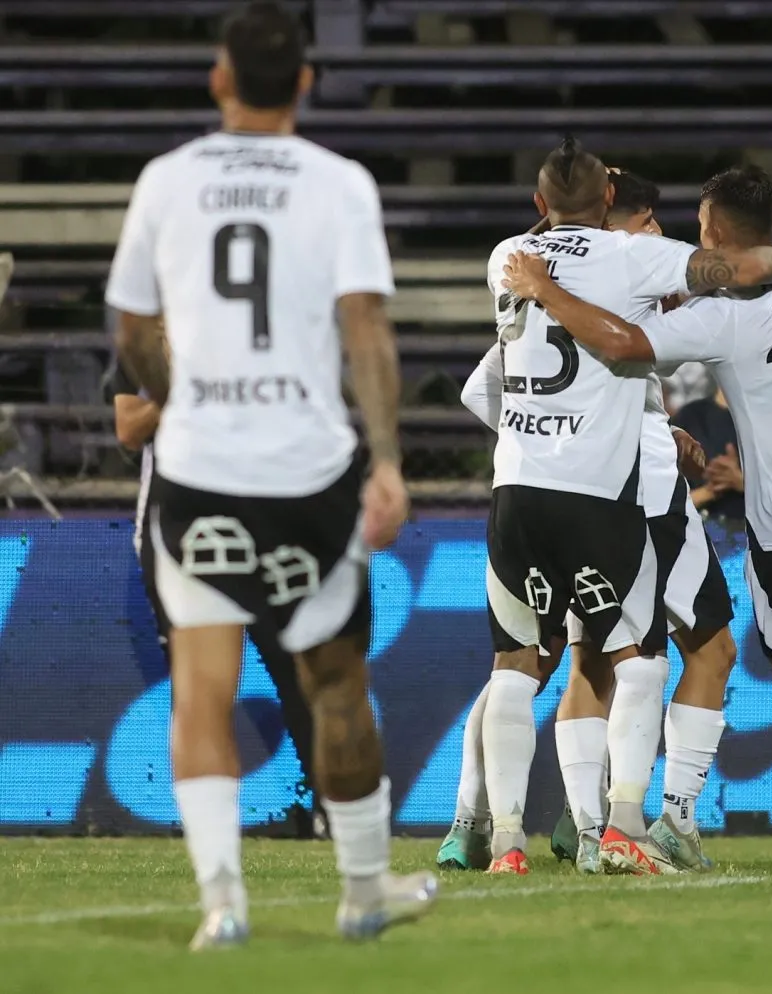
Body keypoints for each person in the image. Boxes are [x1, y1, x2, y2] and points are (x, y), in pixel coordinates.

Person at [105, 1, 436, 949]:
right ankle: (363, 889)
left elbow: (131, 328)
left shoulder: (167, 180)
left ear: (219, 78)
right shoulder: (339, 182)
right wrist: (386, 458)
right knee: (336, 683)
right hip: (306, 471)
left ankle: (223, 905)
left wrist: (182, 390)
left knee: (200, 686)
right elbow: (366, 327)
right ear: (305, 81)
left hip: (197, 469)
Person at [501, 164, 772, 875]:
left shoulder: (723, 318)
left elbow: (623, 344)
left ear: (719, 235)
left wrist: (547, 290)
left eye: (701, 230)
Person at [470, 145, 772, 876]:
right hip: (601, 493)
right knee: (641, 661)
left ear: (538, 204)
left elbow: (493, 377)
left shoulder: (507, 257)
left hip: (516, 489)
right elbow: (741, 270)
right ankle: (624, 826)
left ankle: (504, 840)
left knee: (517, 666)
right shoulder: (633, 257)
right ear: (609, 200)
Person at [438, 169, 738, 876]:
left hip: (531, 489)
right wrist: (629, 436)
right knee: (675, 653)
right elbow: (648, 339)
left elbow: (484, 387)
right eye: (649, 222)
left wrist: (547, 438)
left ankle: (488, 824)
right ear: (615, 218)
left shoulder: (528, 271)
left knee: (539, 663)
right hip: (630, 497)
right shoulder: (625, 266)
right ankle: (642, 824)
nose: (657, 233)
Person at [106, 353, 324, 839]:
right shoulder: (145, 346)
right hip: (183, 538)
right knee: (200, 684)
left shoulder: (253, 341)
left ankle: (322, 805)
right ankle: (208, 820)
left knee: (296, 668)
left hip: (261, 527)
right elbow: (129, 427)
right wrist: (191, 383)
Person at [672, 381, 745, 524]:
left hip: (756, 528)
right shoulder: (689, 416)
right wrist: (710, 491)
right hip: (699, 526)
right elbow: (666, 499)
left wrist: (741, 482)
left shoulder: (770, 419)